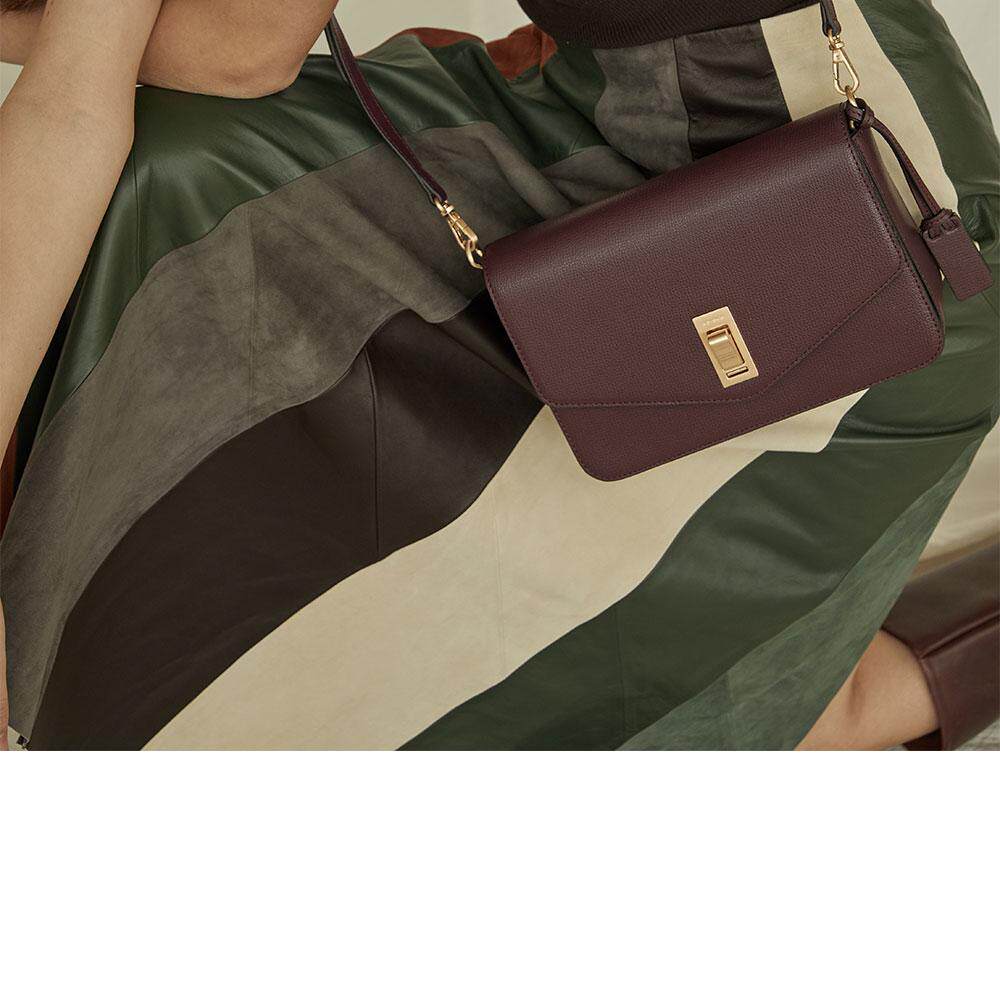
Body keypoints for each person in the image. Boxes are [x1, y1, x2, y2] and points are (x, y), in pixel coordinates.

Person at [0, 0, 996, 750]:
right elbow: (193, 55)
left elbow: (221, 55)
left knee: (180, 192)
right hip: (653, 143)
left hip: (863, 227)